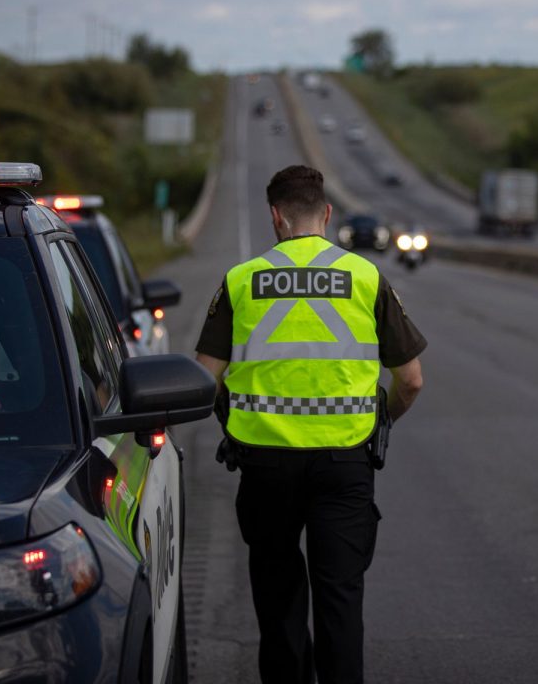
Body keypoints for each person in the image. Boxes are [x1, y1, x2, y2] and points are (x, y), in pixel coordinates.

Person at [195, 164, 426, 684]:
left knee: (278, 608)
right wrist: (377, 419)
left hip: (264, 468)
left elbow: (203, 379)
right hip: (345, 465)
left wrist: (235, 423)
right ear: (325, 214)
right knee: (339, 602)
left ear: (275, 218)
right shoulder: (367, 277)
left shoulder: (241, 280)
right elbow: (410, 380)